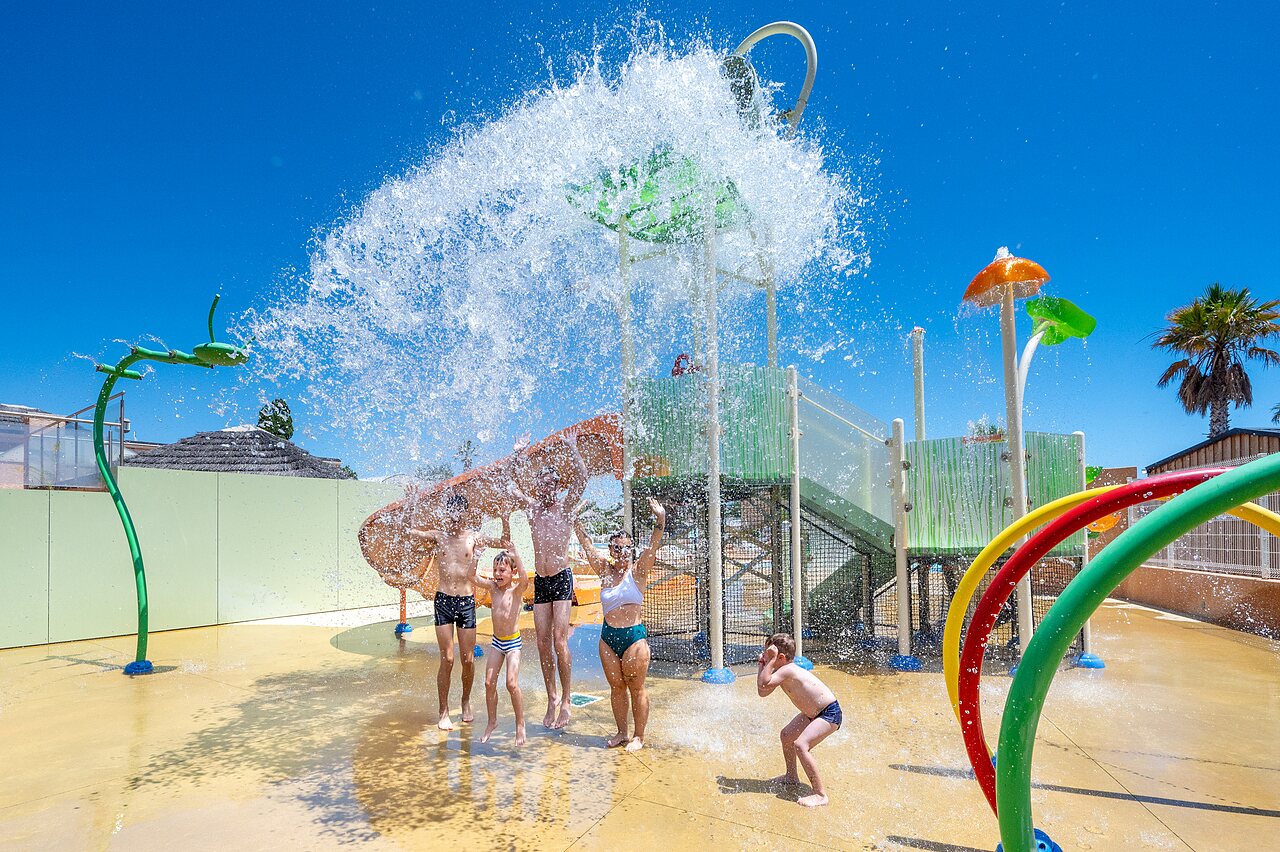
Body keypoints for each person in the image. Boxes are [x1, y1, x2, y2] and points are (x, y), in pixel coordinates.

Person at [573, 497, 666, 752]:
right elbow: (586, 543)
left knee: (636, 688)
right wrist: (576, 519)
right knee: (616, 688)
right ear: (611, 550)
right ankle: (621, 732)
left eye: (626, 548)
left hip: (633, 637)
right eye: (617, 548)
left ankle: (639, 736)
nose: (622, 552)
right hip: (608, 637)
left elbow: (653, 545)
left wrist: (660, 519)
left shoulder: (638, 571)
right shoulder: (603, 570)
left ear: (631, 550)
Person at [409, 492, 506, 731]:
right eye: (451, 512)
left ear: (465, 515)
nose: (455, 518)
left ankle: (465, 701)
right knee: (448, 658)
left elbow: (504, 541)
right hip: (443, 600)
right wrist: (412, 504)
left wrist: (505, 516)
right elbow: (410, 533)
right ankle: (443, 710)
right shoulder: (438, 537)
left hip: (466, 602)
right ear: (447, 513)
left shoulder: (473, 538)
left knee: (468, 659)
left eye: (459, 513)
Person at [510, 435, 587, 730]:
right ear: (538, 485)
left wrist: (572, 448)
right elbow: (510, 485)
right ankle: (551, 697)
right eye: (542, 482)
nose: (546, 486)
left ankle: (567, 700)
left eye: (551, 482)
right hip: (541, 582)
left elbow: (582, 477)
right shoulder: (532, 510)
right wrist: (518, 455)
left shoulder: (565, 508)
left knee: (558, 641)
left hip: (562, 579)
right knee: (542, 644)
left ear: (557, 485)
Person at [756, 632, 841, 807]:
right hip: (813, 714)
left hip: (829, 713)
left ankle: (820, 794)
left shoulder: (787, 670)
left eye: (769, 653)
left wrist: (769, 662)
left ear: (780, 657)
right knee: (787, 735)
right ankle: (791, 777)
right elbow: (762, 691)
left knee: (801, 745)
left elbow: (764, 684)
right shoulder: (782, 670)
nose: (765, 655)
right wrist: (763, 664)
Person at [473, 516, 530, 745]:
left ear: (511, 572)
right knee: (488, 683)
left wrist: (516, 555)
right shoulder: (493, 588)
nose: (497, 574)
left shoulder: (516, 591)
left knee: (511, 684)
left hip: (513, 642)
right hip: (497, 642)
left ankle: (520, 723)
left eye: (502, 570)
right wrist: (476, 555)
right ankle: (492, 721)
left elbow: (525, 578)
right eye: (496, 569)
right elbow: (472, 577)